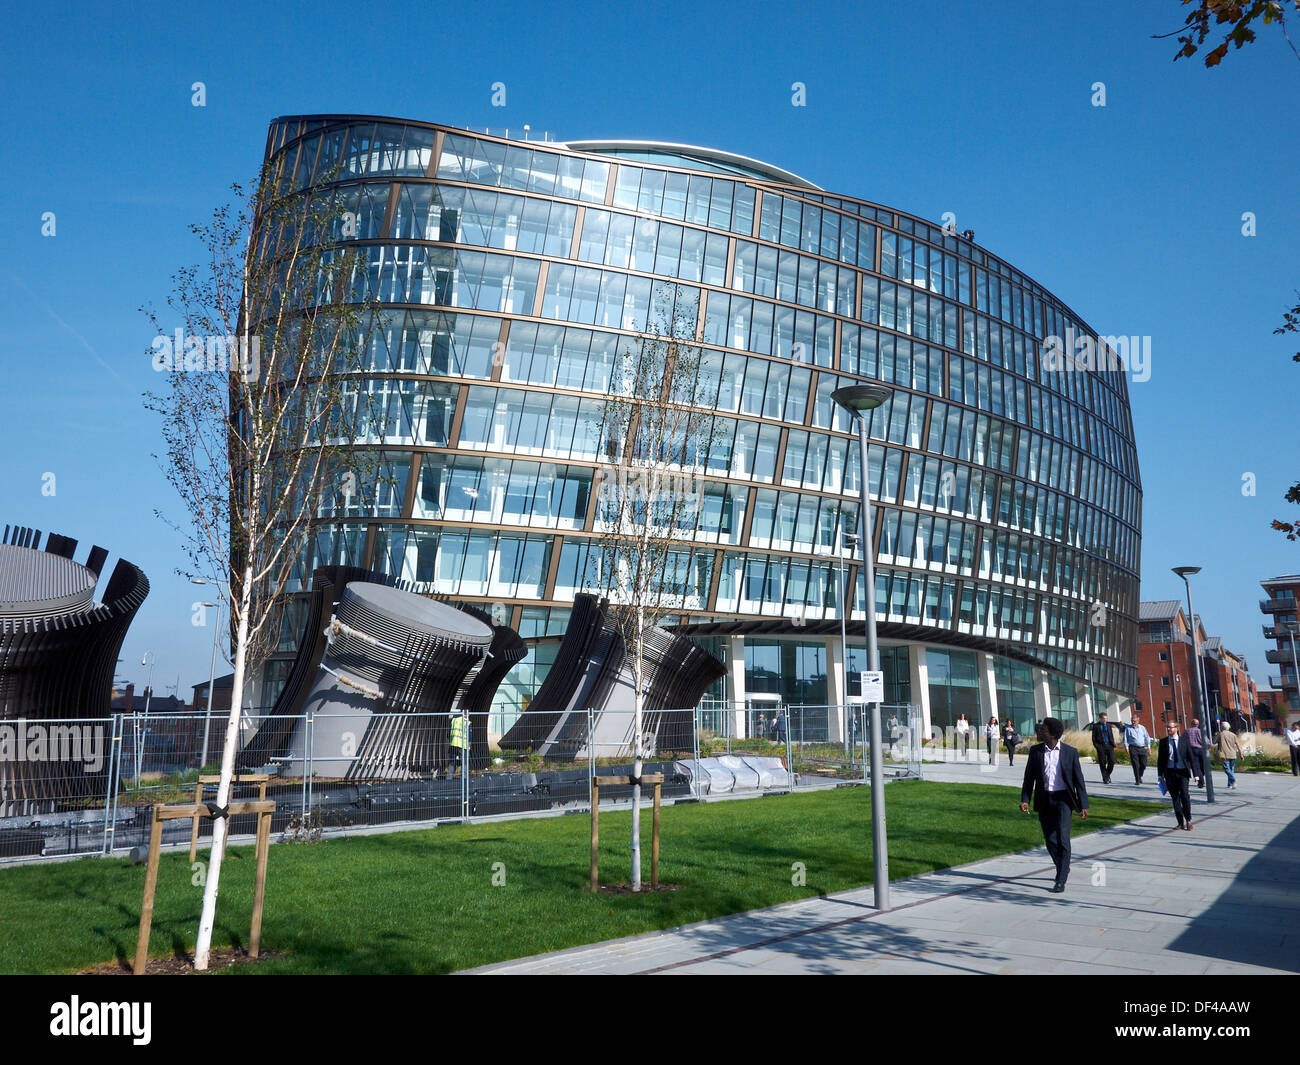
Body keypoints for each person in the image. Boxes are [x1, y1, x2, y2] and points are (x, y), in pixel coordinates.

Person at [1020, 716, 1089, 893]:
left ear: (1052, 733)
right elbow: (1029, 778)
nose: (1039, 731)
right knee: (1050, 839)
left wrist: (1083, 804)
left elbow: (1078, 780)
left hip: (1064, 800)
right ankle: (1062, 865)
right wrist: (1025, 800)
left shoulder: (1070, 752)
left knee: (1063, 838)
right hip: (1044, 800)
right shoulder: (1035, 752)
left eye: (1042, 730)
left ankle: (1060, 879)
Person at [1157, 720, 1194, 830]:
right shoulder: (1163, 742)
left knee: (1185, 795)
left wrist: (1197, 774)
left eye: (1171, 727)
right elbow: (1160, 760)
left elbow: (1191, 758)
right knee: (1175, 798)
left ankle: (1188, 820)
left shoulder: (1184, 741)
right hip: (1170, 772)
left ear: (1177, 728)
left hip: (1183, 772)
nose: (1169, 729)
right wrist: (1160, 775)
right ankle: (1180, 822)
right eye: (1167, 728)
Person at [1091, 712, 1118, 784]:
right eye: (1103, 718)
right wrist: (1097, 746)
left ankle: (1107, 775)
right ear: (1100, 718)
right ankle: (1105, 778)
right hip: (1101, 746)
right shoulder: (1096, 726)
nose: (1105, 720)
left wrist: (1113, 744)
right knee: (1102, 763)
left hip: (1109, 745)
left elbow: (1111, 735)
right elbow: (1093, 738)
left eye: (1106, 718)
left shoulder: (1109, 725)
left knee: (1112, 761)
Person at [1123, 717, 1151, 784]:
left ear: (1138, 720)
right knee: (1135, 765)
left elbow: (1147, 737)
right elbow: (1125, 739)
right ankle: (1137, 780)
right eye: (1132, 721)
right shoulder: (1128, 729)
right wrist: (1126, 748)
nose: (1133, 722)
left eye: (1134, 721)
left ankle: (1139, 775)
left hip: (1142, 748)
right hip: (1133, 748)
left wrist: (1149, 747)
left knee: (1144, 764)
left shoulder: (1142, 728)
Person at [1215, 721, 1240, 791]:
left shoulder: (1220, 734)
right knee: (1231, 769)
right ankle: (1230, 784)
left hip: (1225, 754)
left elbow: (1214, 741)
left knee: (1227, 769)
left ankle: (1234, 779)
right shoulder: (1233, 735)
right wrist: (1241, 754)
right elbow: (1238, 745)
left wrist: (1216, 734)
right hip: (1233, 754)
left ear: (1222, 727)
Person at [1185, 717, 1208, 788]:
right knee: (1201, 766)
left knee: (1196, 767)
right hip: (1201, 750)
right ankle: (1201, 779)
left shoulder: (1187, 731)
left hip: (1191, 750)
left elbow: (1183, 741)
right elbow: (1207, 741)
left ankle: (1201, 781)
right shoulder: (1200, 731)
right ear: (1198, 724)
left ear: (1191, 724)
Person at [448, 708, 470, 779]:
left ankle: (449, 779)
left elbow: (448, 733)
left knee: (452, 762)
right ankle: (464, 779)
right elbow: (470, 735)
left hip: (453, 744)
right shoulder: (467, 722)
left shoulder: (453, 721)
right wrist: (469, 744)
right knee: (465, 762)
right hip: (462, 745)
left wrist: (451, 741)